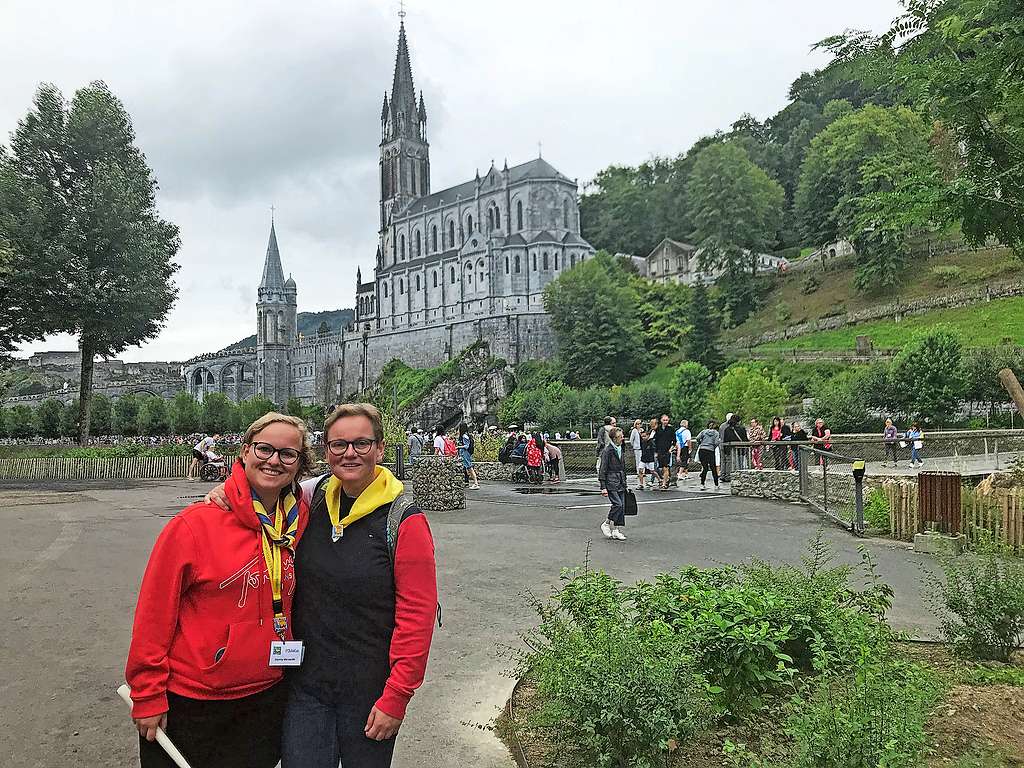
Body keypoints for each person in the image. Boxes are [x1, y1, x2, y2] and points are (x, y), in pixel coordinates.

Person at [205, 404, 438, 768]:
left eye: (362, 444)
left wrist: (397, 695)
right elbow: (261, 491)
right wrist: (225, 491)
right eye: (338, 444)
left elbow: (417, 615)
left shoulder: (403, 520)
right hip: (307, 686)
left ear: (380, 448)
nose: (349, 453)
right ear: (325, 450)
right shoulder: (312, 499)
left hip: (369, 690)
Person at [126, 414, 313, 768]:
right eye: (264, 449)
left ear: (300, 464)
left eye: (288, 454)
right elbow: (154, 615)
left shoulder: (300, 517)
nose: (274, 460)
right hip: (194, 701)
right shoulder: (194, 525)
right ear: (244, 452)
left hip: (265, 696)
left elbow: (355, 475)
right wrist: (148, 695)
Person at [598, 426, 628, 541]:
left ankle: (616, 529)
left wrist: (624, 481)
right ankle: (606, 523)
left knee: (622, 506)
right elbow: (603, 468)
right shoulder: (608, 450)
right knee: (618, 505)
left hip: (620, 481)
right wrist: (603, 487)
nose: (622, 439)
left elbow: (623, 467)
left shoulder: (620, 448)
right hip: (611, 481)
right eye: (620, 437)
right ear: (614, 438)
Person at [695, 420, 721, 491]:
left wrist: (701, 443)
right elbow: (716, 442)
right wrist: (713, 446)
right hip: (710, 450)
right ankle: (716, 484)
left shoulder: (703, 431)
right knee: (713, 468)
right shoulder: (716, 433)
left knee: (705, 468)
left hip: (702, 450)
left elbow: (697, 438)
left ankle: (702, 484)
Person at [653, 414, 676, 490]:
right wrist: (656, 451)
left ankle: (664, 483)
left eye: (666, 420)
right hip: (660, 451)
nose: (665, 421)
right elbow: (655, 441)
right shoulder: (658, 429)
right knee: (660, 468)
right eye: (664, 420)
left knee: (665, 467)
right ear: (661, 420)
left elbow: (674, 441)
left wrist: (671, 449)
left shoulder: (671, 429)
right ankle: (666, 479)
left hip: (667, 451)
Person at [458, 423, 480, 490]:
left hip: (466, 454)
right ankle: (474, 483)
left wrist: (458, 447)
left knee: (470, 468)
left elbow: (466, 446)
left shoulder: (464, 436)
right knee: (468, 469)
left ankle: (476, 483)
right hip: (465, 454)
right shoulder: (466, 435)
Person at [638, 422, 658, 491]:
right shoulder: (642, 442)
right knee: (640, 470)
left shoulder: (651, 442)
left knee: (652, 471)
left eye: (644, 436)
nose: (643, 438)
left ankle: (659, 479)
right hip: (643, 458)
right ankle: (641, 484)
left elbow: (654, 449)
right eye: (642, 436)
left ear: (648, 436)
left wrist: (655, 454)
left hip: (650, 459)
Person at [628, 419, 645, 489]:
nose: (639, 425)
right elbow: (631, 440)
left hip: (642, 447)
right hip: (637, 448)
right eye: (637, 424)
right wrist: (634, 445)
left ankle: (643, 473)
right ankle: (639, 472)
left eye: (640, 424)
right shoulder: (634, 431)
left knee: (643, 460)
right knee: (638, 461)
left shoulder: (642, 430)